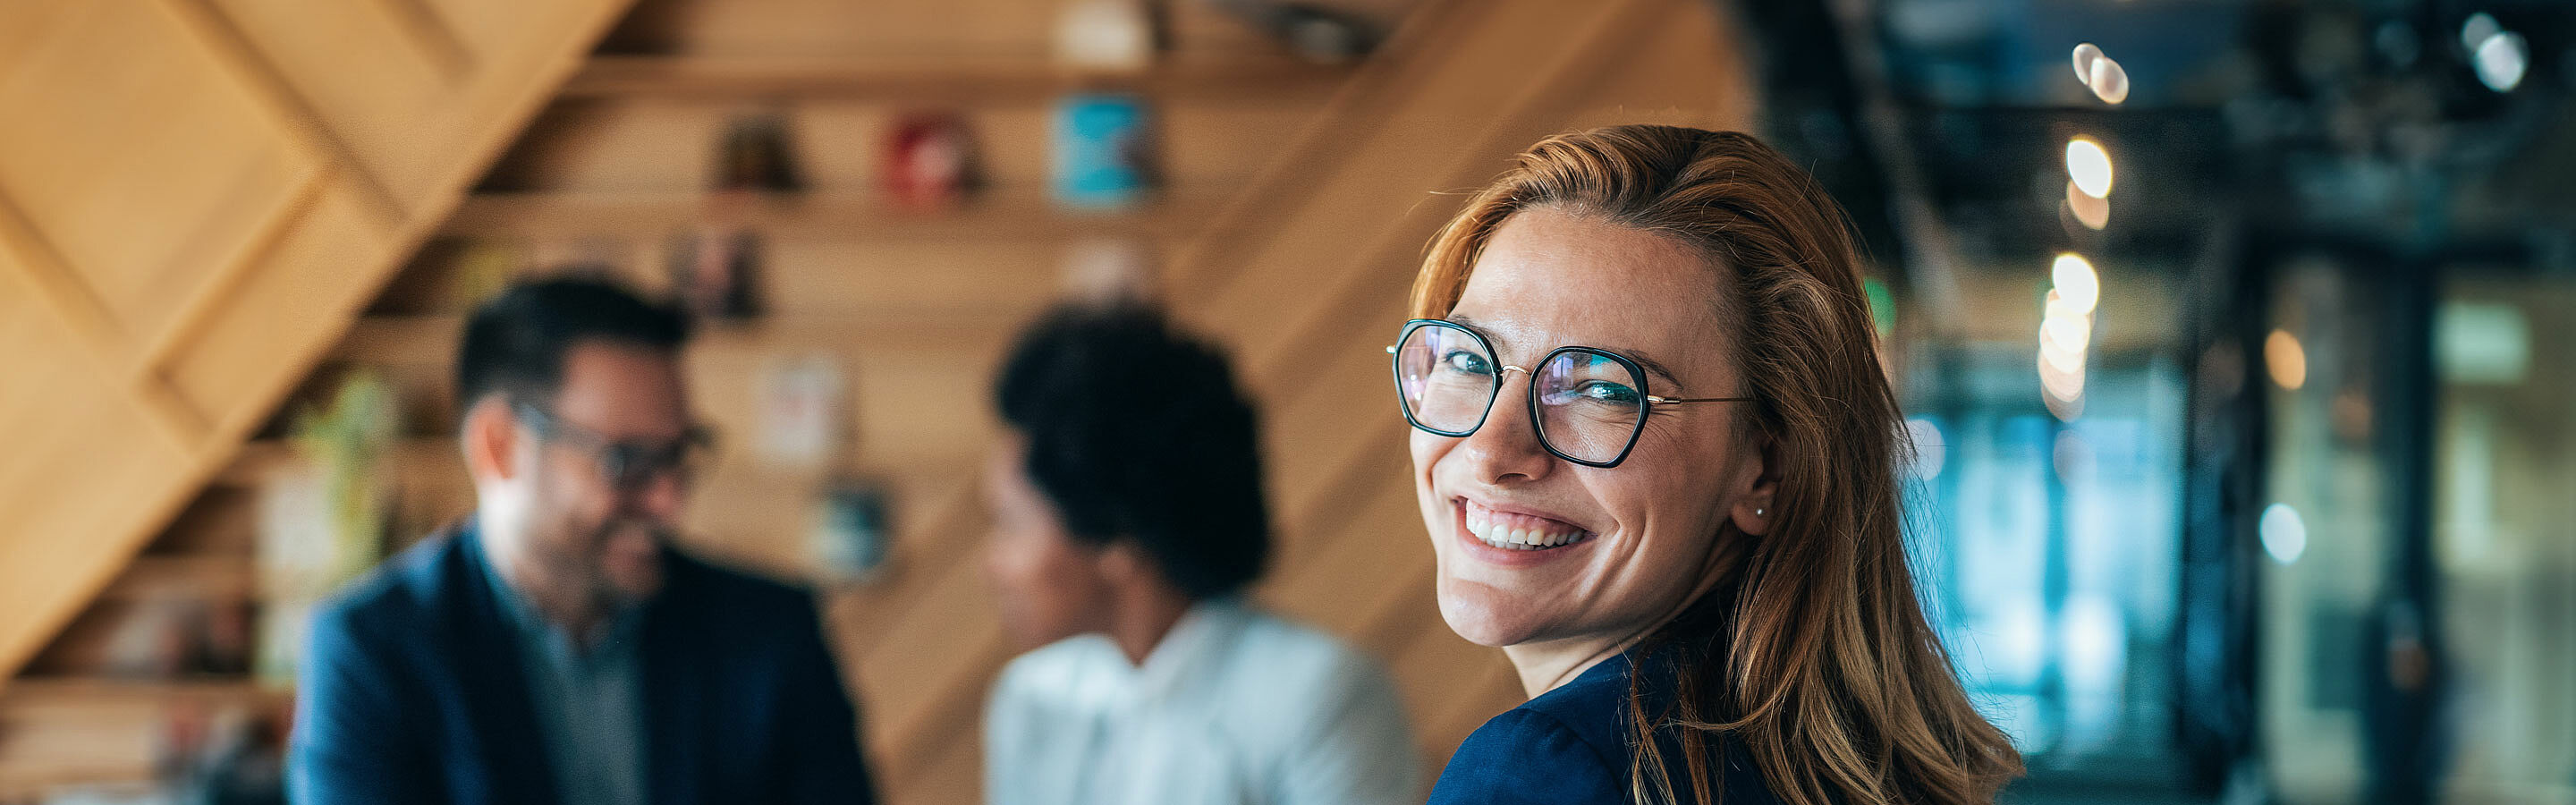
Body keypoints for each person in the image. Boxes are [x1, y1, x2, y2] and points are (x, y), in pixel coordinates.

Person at [1395, 126, 2024, 805]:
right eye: (1465, 357)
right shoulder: (1851, 767)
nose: (1490, 451)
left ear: (1766, 467)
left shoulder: (1550, 772)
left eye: (1602, 387)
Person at [288, 276, 878, 805]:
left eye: (677, 457)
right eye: (626, 463)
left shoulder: (770, 633)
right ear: (499, 446)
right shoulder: (372, 651)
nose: (668, 502)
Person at [979, 303, 1419, 805]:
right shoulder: (1030, 698)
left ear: (1116, 539)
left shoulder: (1320, 698)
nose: (993, 565)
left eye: (1011, 524)